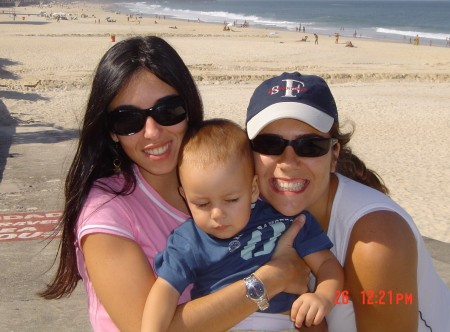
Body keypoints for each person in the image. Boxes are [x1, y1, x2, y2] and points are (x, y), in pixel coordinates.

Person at [38, 37, 311, 332]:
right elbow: (145, 327)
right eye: (128, 120)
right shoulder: (106, 213)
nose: (152, 132)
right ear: (112, 132)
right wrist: (271, 280)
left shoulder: (228, 179)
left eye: (168, 111)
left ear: (189, 109)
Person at [245, 71, 450, 331]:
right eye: (269, 144)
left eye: (310, 146)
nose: (288, 161)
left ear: (334, 155)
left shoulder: (374, 243)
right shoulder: (244, 212)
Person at [142, 119, 344, 331]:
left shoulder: (284, 220)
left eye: (231, 200)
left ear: (253, 188)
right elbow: (164, 291)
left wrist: (323, 297)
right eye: (202, 203)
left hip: (283, 323)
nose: (217, 214)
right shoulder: (188, 240)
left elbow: (327, 265)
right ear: (185, 195)